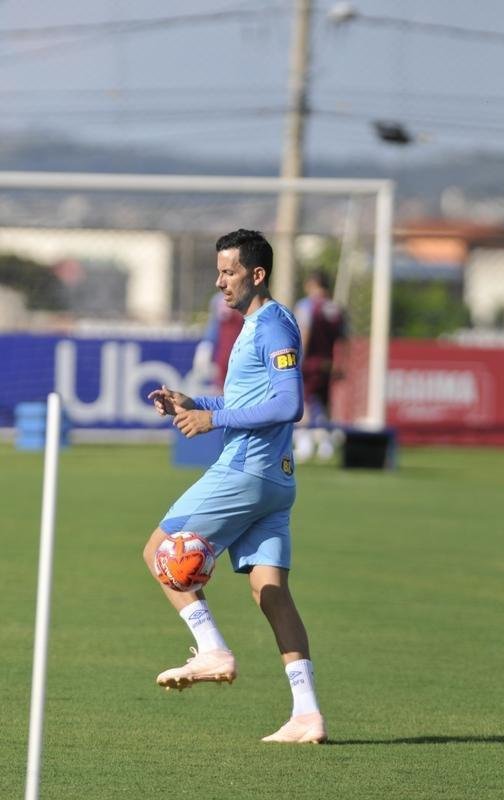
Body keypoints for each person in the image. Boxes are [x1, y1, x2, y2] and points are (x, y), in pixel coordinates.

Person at [144, 228, 326, 744]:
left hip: (246, 471)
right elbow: (254, 398)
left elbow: (290, 405)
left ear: (257, 274)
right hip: (275, 481)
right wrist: (195, 404)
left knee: (158, 551)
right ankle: (307, 713)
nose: (220, 281)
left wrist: (214, 421)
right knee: (271, 593)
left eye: (229, 271)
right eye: (219, 271)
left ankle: (213, 649)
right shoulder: (255, 325)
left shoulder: (272, 325)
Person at [293, 269, 348, 462]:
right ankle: (326, 443)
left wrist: (299, 360)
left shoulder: (307, 306)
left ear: (312, 284)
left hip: (309, 362)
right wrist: (340, 364)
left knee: (303, 401)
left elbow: (305, 333)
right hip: (329, 363)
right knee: (325, 403)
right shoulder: (336, 308)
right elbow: (343, 340)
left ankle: (305, 442)